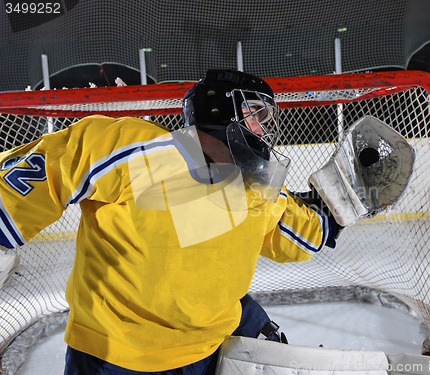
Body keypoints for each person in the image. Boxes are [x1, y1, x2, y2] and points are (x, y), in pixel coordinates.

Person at [0, 69, 339, 374]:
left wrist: (341, 204)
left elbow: (299, 237)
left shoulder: (256, 185)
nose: (264, 129)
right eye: (256, 114)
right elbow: (37, 177)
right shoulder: (133, 147)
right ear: (219, 111)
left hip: (210, 350)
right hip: (115, 358)